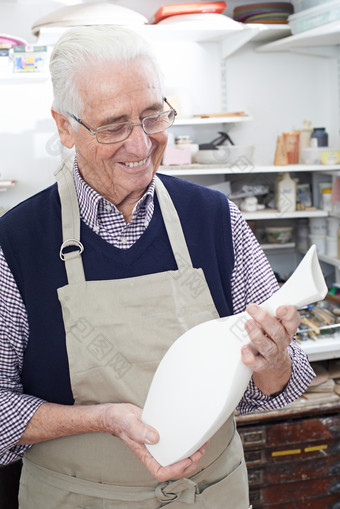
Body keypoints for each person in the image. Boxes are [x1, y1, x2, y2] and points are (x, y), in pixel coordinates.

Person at [0, 25, 313, 509]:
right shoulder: (16, 241)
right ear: (64, 126)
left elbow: (278, 388)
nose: (141, 145)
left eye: (152, 116)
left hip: (213, 493)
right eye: (113, 126)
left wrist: (274, 360)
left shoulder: (214, 217)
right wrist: (102, 418)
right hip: (80, 497)